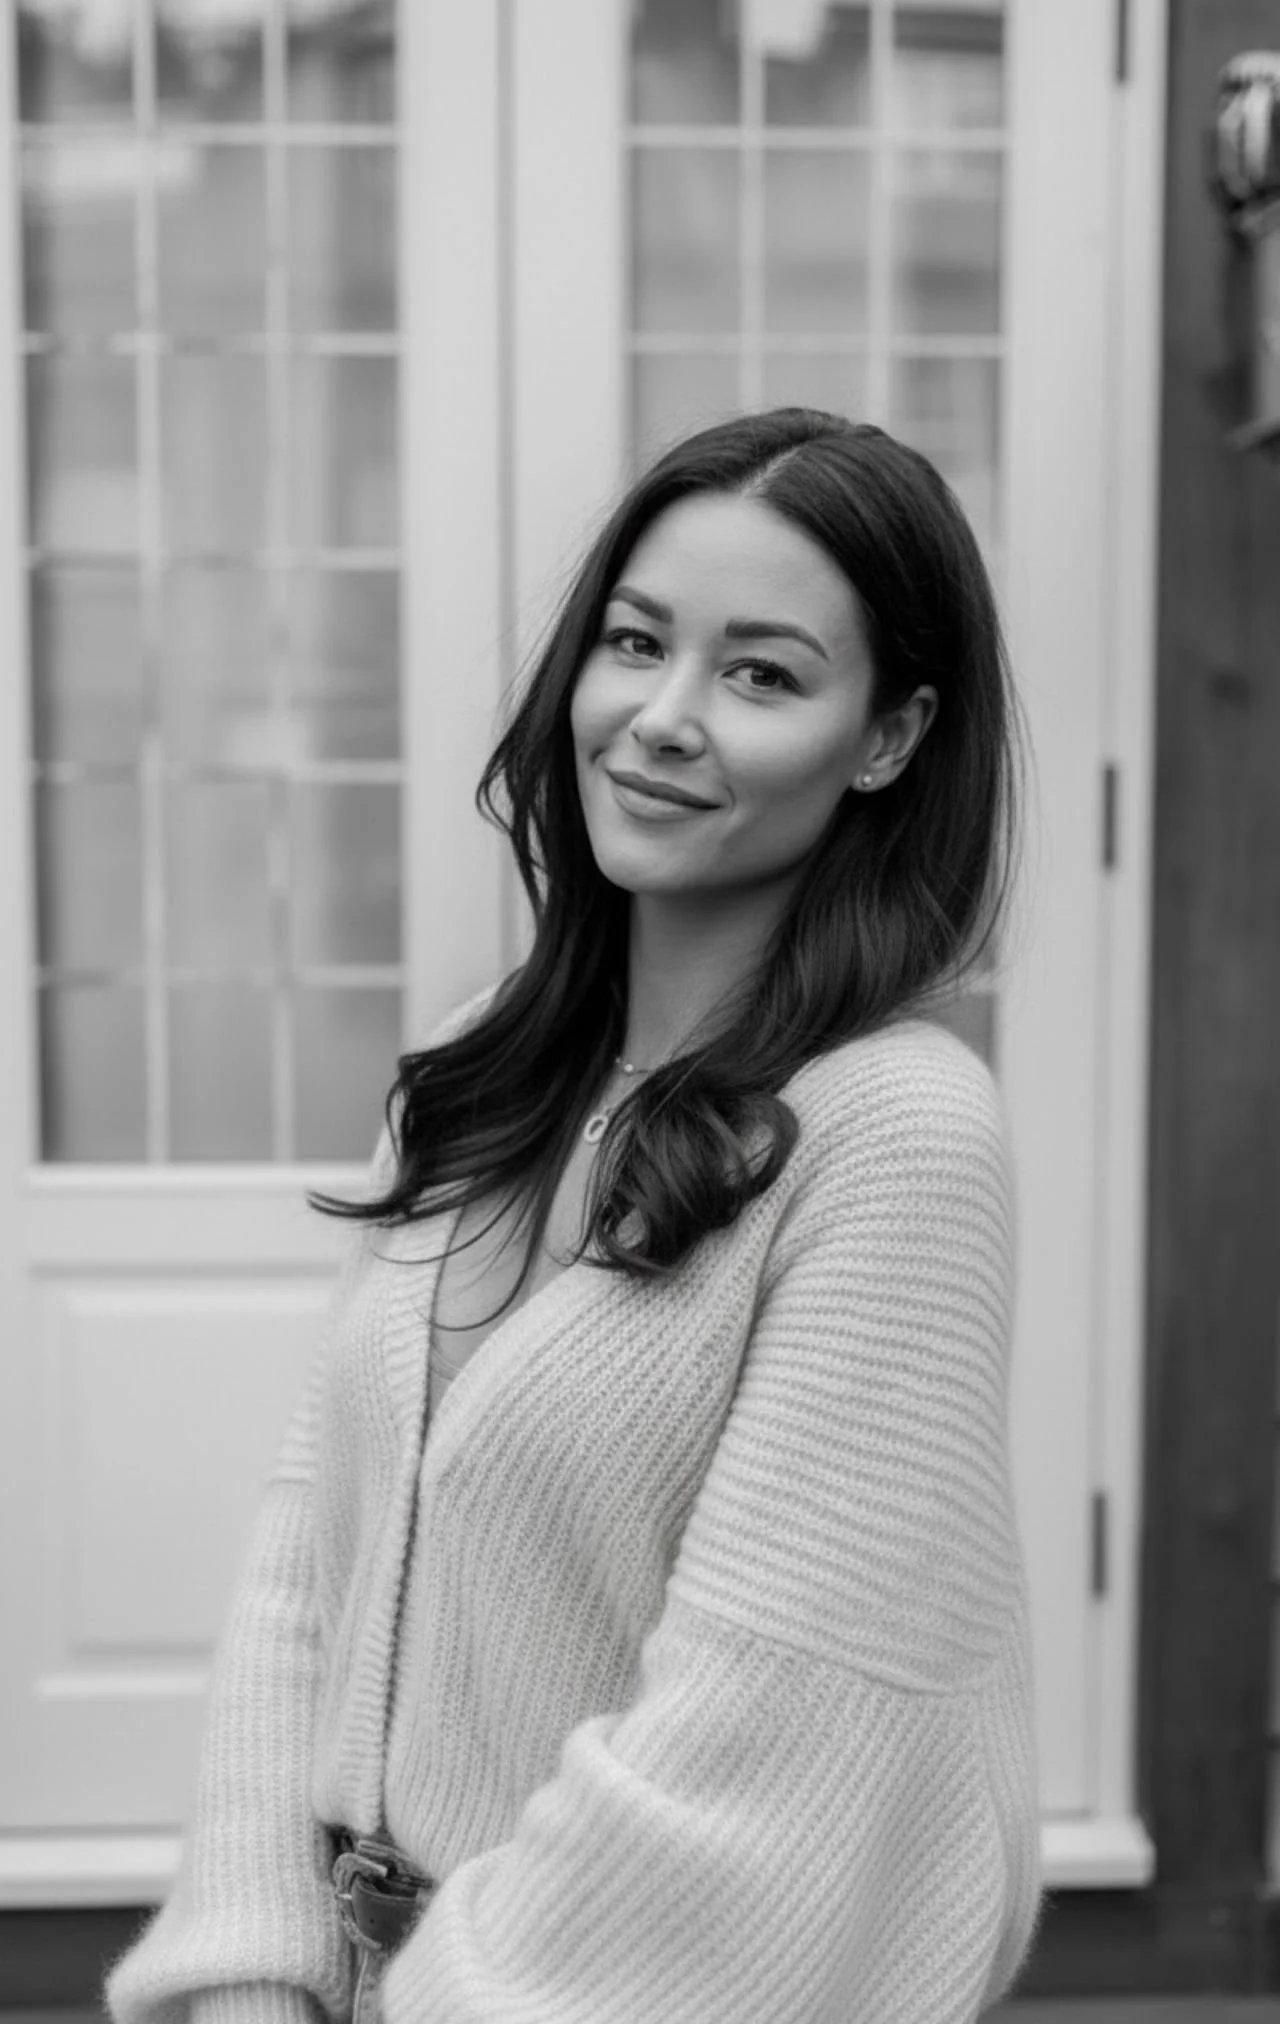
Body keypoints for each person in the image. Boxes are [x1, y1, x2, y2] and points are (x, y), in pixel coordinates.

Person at [106, 407, 1043, 2024]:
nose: (663, 719)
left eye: (760, 674)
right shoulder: (493, 1074)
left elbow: (771, 1728)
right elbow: (306, 1562)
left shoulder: (894, 1136)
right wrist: (256, 1967)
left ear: (886, 738)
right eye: (635, 643)